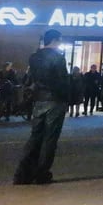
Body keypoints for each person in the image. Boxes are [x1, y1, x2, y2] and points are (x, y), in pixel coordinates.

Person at [13, 29, 70, 185]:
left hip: (39, 100)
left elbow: (32, 79)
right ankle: (42, 173)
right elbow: (61, 82)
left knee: (35, 136)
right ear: (55, 40)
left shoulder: (34, 57)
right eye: (59, 40)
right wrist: (67, 98)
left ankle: (22, 173)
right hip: (55, 101)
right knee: (50, 139)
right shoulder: (58, 58)